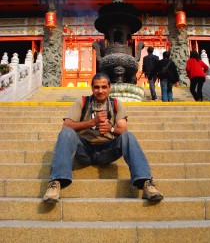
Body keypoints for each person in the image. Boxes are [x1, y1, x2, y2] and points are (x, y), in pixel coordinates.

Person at [44, 73, 163, 203]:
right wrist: (92, 122)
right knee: (66, 133)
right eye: (96, 87)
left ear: (109, 87)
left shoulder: (116, 104)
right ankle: (55, 182)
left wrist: (110, 129)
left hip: (107, 150)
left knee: (128, 136)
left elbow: (123, 129)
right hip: (84, 150)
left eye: (103, 87)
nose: (100, 91)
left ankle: (146, 182)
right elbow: (66, 125)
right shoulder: (82, 102)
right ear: (91, 88)